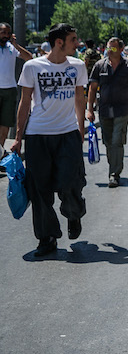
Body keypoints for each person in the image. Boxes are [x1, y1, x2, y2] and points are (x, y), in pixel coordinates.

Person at [10, 23, 88, 256]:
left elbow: (80, 99)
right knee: (39, 189)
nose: (78, 43)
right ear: (59, 42)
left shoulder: (78, 65)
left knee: (71, 182)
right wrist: (18, 137)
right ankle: (47, 238)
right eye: (73, 39)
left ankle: (73, 215)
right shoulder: (33, 66)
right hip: (38, 136)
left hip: (67, 134)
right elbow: (24, 103)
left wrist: (80, 130)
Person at [87, 37, 128, 187]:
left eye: (113, 48)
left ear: (120, 49)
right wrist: (89, 110)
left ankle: (114, 173)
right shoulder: (100, 65)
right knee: (107, 142)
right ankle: (114, 166)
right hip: (104, 109)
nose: (109, 51)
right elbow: (92, 88)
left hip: (122, 109)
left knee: (117, 140)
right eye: (108, 48)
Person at [0, 22, 33, 161]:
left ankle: (0, 155)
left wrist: (16, 45)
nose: (6, 35)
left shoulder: (12, 48)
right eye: (3, 32)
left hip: (10, 90)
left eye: (8, 33)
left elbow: (29, 58)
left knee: (5, 125)